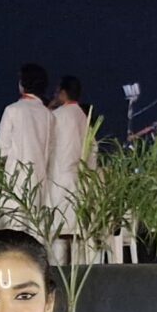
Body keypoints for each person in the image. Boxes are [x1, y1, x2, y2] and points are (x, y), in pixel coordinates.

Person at [43, 75, 90, 249]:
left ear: (62, 93)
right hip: (78, 182)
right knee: (75, 237)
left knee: (57, 236)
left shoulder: (56, 116)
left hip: (58, 180)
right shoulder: (83, 117)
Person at [0, 63, 52, 204]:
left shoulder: (12, 110)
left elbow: (2, 147)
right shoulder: (48, 115)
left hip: (15, 179)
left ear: (23, 84)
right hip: (40, 180)